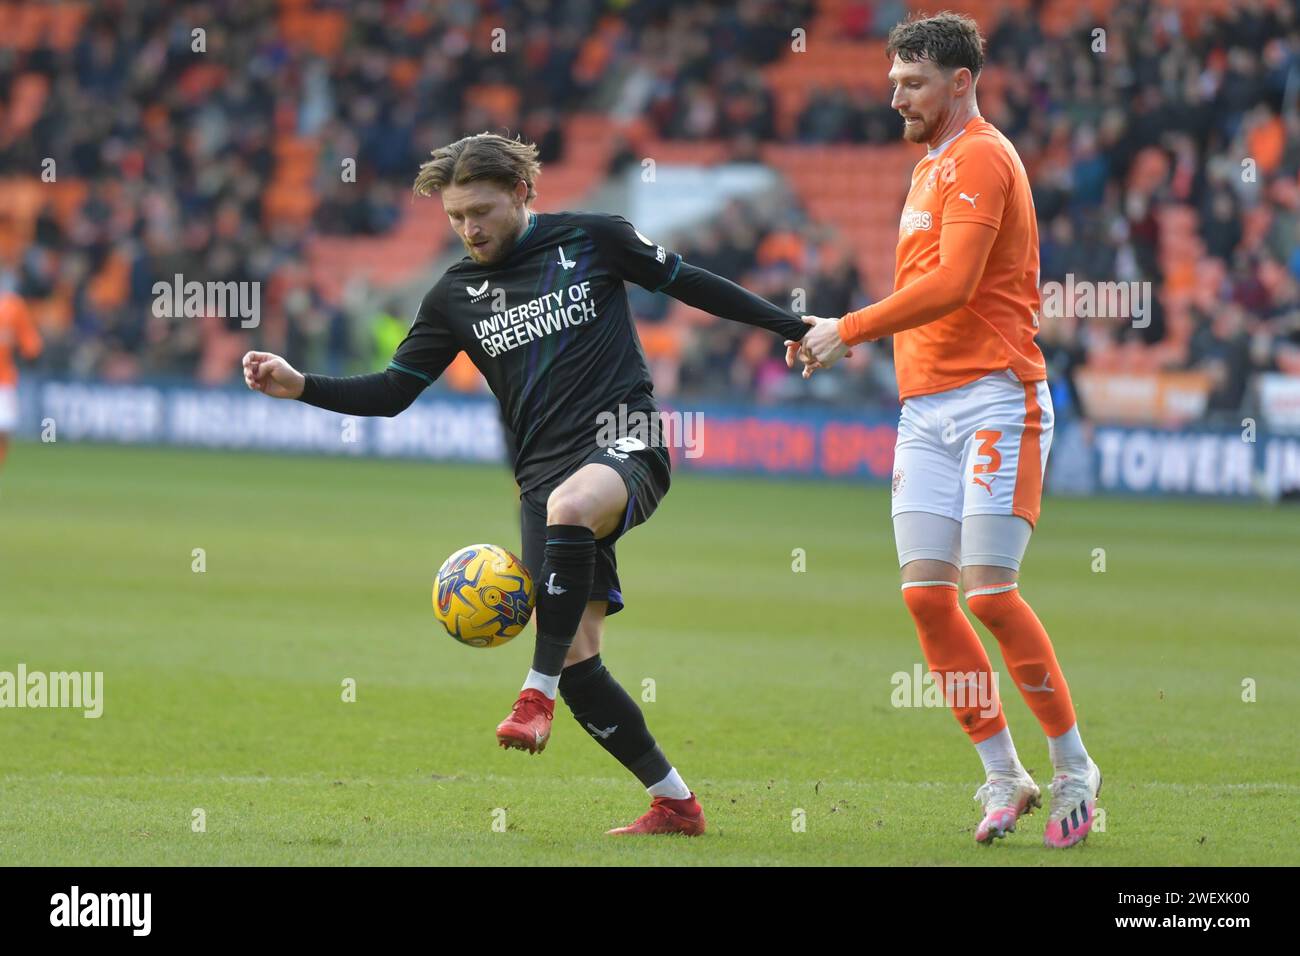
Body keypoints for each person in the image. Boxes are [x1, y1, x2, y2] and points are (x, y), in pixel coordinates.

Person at [244, 133, 810, 836]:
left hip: (621, 435)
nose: (469, 228)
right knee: (581, 663)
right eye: (456, 218)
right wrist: (301, 386)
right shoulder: (454, 295)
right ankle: (675, 803)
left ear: (521, 193)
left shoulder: (594, 239)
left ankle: (531, 696)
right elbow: (393, 391)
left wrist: (793, 326)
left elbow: (689, 282)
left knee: (575, 516)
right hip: (541, 478)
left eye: (481, 210)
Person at [791, 13, 1101, 848]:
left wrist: (847, 329)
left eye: (912, 82)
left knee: (990, 594)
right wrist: (849, 332)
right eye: (893, 81)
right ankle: (1004, 777)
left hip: (997, 398)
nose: (895, 96)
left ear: (960, 82)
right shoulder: (930, 167)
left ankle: (1075, 766)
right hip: (924, 410)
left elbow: (959, 284)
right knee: (928, 598)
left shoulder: (982, 159)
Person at [0, 289, 43, 476]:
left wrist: (31, 351)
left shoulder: (13, 306)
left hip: (4, 380)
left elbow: (30, 342)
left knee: (5, 429)